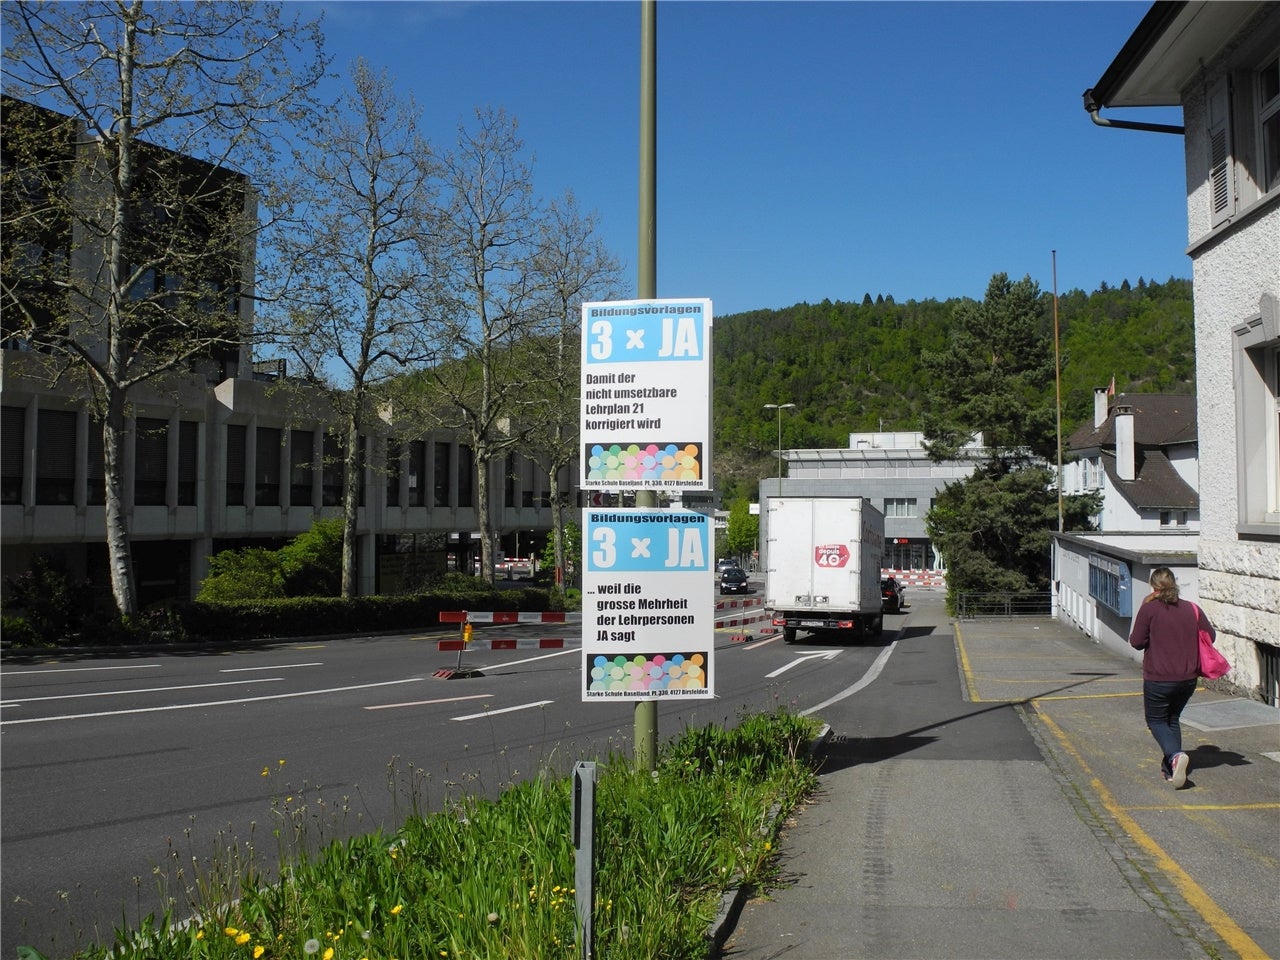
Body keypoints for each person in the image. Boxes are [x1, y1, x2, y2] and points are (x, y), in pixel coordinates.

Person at [1128, 567, 1216, 788]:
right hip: (1187, 678)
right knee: (1172, 719)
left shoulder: (1149, 609)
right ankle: (1170, 770)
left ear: (1153, 586)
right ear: (1174, 584)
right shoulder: (1192, 609)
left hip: (1159, 677)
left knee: (1156, 721)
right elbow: (1210, 636)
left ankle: (1176, 756)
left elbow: (1136, 641)